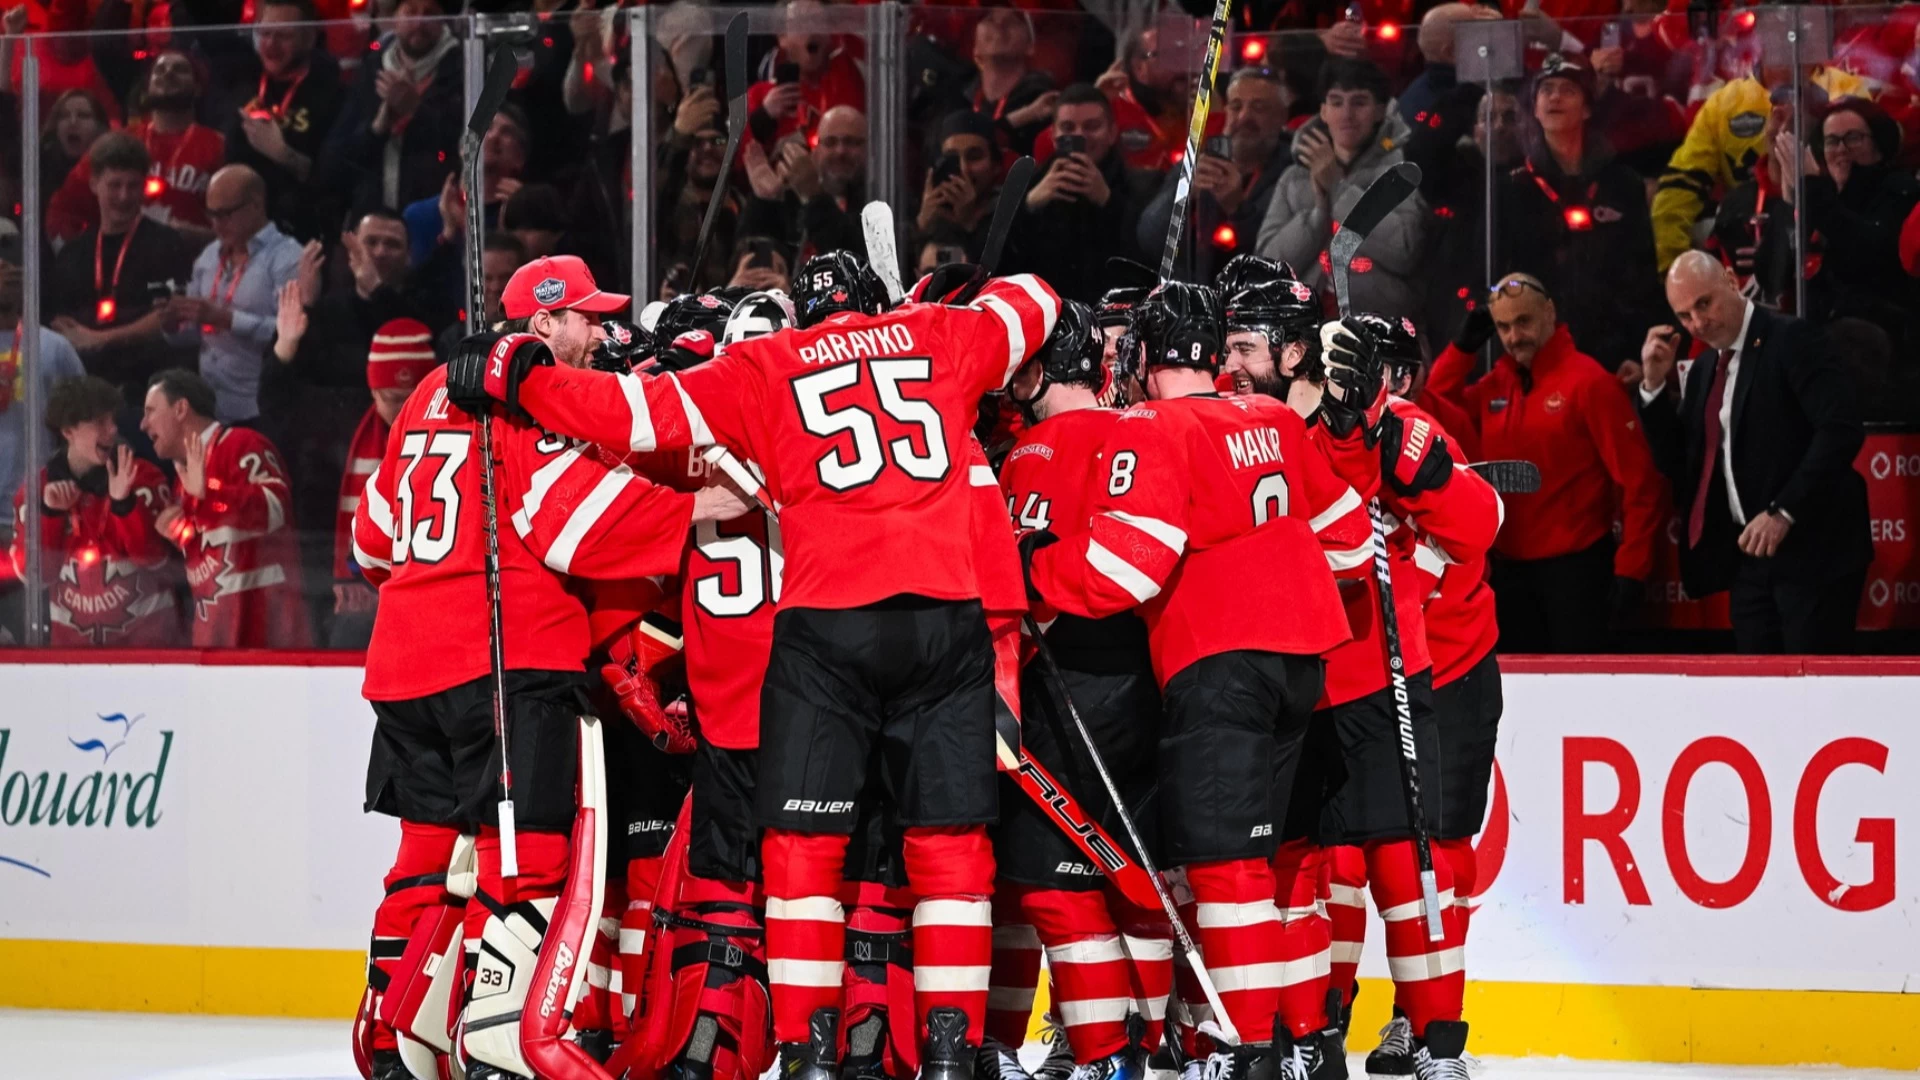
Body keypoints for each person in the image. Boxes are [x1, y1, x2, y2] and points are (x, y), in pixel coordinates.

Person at [445, 251, 1061, 1080]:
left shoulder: (766, 364)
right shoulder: (935, 334)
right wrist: (954, 298)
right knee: (949, 849)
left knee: (802, 850)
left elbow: (631, 415)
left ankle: (808, 1054)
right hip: (943, 622)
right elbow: (1036, 298)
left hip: (826, 627)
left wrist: (522, 377)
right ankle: (950, 1053)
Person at [347, 254, 747, 1080]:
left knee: (425, 861)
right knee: (523, 861)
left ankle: (393, 1040)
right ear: (542, 325)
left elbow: (372, 540)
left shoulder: (430, 390)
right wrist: (699, 506)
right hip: (504, 662)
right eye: (587, 319)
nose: (601, 334)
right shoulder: (528, 394)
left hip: (403, 665)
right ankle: (498, 1048)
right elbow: (573, 526)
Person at [1022, 282, 1372, 1080]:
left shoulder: (1151, 426)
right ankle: (1301, 1043)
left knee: (1225, 869)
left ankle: (1246, 1052)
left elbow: (1124, 570)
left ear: (1143, 354)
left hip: (1219, 660)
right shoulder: (1275, 418)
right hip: (1303, 663)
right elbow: (1354, 545)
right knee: (1274, 865)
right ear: (1215, 352)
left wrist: (1031, 564)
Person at [1289, 315, 1501, 1080]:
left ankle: (1426, 1023)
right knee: (1339, 860)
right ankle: (1326, 1021)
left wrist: (1409, 470)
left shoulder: (1410, 431)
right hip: (1361, 670)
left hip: (1448, 669)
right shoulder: (1300, 426)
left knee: (1433, 855)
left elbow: (1482, 523)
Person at [992, 301, 1174, 1080]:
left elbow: (1018, 583)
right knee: (1128, 883)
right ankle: (1148, 1042)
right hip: (1145, 678)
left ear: (1034, 372)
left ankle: (1101, 1052)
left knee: (1051, 886)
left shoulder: (1023, 455)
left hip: (1066, 685)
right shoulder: (1136, 430)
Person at [1636, 251, 1871, 653]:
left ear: (1731, 280)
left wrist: (1783, 512)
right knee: (1757, 685)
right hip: (1747, 561)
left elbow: (1840, 430)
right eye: (1684, 315)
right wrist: (1653, 387)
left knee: (1811, 685)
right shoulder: (1704, 369)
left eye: (1704, 303)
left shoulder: (1793, 339)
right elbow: (1681, 465)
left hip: (1814, 552)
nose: (1698, 323)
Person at [1424, 274, 1663, 652]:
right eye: (1503, 327)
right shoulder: (1495, 387)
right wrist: (1461, 351)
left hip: (1578, 576)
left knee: (1579, 686)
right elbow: (1432, 410)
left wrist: (1632, 569)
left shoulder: (1590, 384)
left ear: (1549, 312)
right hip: (1508, 574)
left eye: (1524, 321)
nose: (1514, 336)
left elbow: (1640, 483)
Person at [1497, 55, 1664, 376]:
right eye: (1546, 90)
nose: (1555, 97)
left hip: (1613, 356)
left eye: (1568, 90)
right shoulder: (1511, 189)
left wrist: (1636, 350)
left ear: (1587, 109)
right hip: (1537, 355)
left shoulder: (1622, 183)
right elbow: (1497, 278)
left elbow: (1642, 276)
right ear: (1535, 109)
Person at [140, 367, 307, 648]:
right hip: (214, 639)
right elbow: (209, 555)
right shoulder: (182, 480)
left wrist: (211, 494)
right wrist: (176, 530)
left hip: (267, 636)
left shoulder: (241, 444)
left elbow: (276, 508)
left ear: (180, 409)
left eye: (151, 411)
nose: (143, 424)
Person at [9, 375, 178, 646]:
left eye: (113, 420)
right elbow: (35, 576)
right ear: (68, 431)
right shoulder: (37, 491)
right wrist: (50, 515)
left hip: (148, 647)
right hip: (73, 655)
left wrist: (124, 504)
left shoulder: (142, 477)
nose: (112, 429)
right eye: (100, 422)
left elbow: (155, 560)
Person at [1650, 62, 1865, 273]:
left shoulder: (1847, 91)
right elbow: (1679, 189)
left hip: (1833, 249)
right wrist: (1674, 271)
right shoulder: (1724, 103)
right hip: (1746, 238)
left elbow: (1869, 188)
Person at [1256, 58, 1425, 319]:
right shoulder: (1294, 178)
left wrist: (1338, 190)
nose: (1346, 114)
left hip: (1378, 328)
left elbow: (1404, 252)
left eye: (1359, 102)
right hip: (1304, 329)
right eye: (1336, 102)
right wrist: (1318, 214)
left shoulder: (1401, 173)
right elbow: (1266, 267)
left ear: (1380, 111)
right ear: (1323, 111)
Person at [45, 133, 198, 408]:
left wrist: (99, 338)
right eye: (114, 185)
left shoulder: (167, 243)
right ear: (94, 184)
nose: (124, 196)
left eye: (133, 186)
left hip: (145, 390)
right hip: (85, 391)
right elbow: (58, 320)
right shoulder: (73, 252)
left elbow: (171, 316)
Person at [327, 318, 436, 650]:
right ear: (373, 391)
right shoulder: (342, 436)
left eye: (412, 397)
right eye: (392, 398)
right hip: (363, 591)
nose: (403, 410)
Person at [165, 165, 304, 424]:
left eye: (225, 214)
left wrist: (227, 319)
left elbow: (290, 334)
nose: (216, 224)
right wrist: (172, 324)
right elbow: (192, 335)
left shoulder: (287, 258)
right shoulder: (209, 256)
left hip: (259, 407)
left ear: (256, 205)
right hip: (209, 405)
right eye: (211, 214)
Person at [46, 50, 226, 244]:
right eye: (160, 70)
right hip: (121, 259)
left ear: (198, 88)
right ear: (148, 87)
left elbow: (238, 227)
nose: (168, 73)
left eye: (180, 69)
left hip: (193, 259)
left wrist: (197, 237)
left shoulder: (218, 145)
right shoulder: (115, 142)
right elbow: (63, 209)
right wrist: (82, 254)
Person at [1785, 100, 1920, 356]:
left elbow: (1872, 253)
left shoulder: (1901, 190)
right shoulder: (1819, 192)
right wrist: (1789, 203)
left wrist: (1815, 192)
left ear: (1878, 145)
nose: (1841, 149)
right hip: (1814, 336)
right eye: (1832, 141)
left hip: (1884, 343)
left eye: (1853, 138)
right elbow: (1779, 275)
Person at [1136, 69, 1296, 282]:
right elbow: (1149, 239)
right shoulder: (1198, 162)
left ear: (1282, 116)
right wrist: (1186, 195)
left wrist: (1237, 209)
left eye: (1259, 108)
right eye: (1236, 106)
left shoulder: (1294, 174)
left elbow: (1279, 257)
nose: (1244, 117)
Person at [1005, 85, 1154, 302]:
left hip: (1116, 311)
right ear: (1054, 135)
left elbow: (1150, 260)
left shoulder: (1143, 185)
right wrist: (1028, 206)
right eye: (1068, 127)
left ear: (1112, 133)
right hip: (1047, 311)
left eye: (1092, 126)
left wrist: (1109, 202)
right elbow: (1001, 265)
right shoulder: (1027, 185)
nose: (1080, 136)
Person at [225, 0, 347, 243]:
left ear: (309, 38)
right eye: (265, 33)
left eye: (283, 36)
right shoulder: (243, 83)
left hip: (302, 233)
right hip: (241, 227)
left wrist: (283, 154)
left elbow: (334, 179)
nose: (271, 44)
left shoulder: (333, 95)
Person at [324, 0, 463, 213]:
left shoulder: (462, 66)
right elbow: (335, 161)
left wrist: (416, 111)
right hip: (373, 214)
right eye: (411, 11)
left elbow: (463, 146)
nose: (419, 21)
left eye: (430, 13)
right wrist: (377, 128)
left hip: (437, 213)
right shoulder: (372, 67)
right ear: (395, 17)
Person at [741, 106, 868, 258]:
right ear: (816, 151)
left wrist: (814, 196)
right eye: (830, 142)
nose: (840, 151)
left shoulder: (882, 197)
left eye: (851, 142)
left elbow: (855, 260)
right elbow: (749, 263)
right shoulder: (790, 198)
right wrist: (764, 202)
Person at [745, 0, 867, 146]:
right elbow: (738, 154)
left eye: (819, 22)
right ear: (782, 37)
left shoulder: (853, 81)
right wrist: (763, 116)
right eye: (802, 23)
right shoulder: (760, 95)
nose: (812, 30)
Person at [963, 5, 1058, 156]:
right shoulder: (957, 99)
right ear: (975, 47)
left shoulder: (1046, 103)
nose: (1000, 25)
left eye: (1013, 20)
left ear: (1031, 45)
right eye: (989, 19)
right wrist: (1025, 115)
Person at [915, 110, 1002, 259]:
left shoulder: (1009, 213)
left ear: (996, 166)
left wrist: (968, 224)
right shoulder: (927, 209)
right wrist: (921, 225)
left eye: (974, 157)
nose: (964, 169)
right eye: (952, 159)